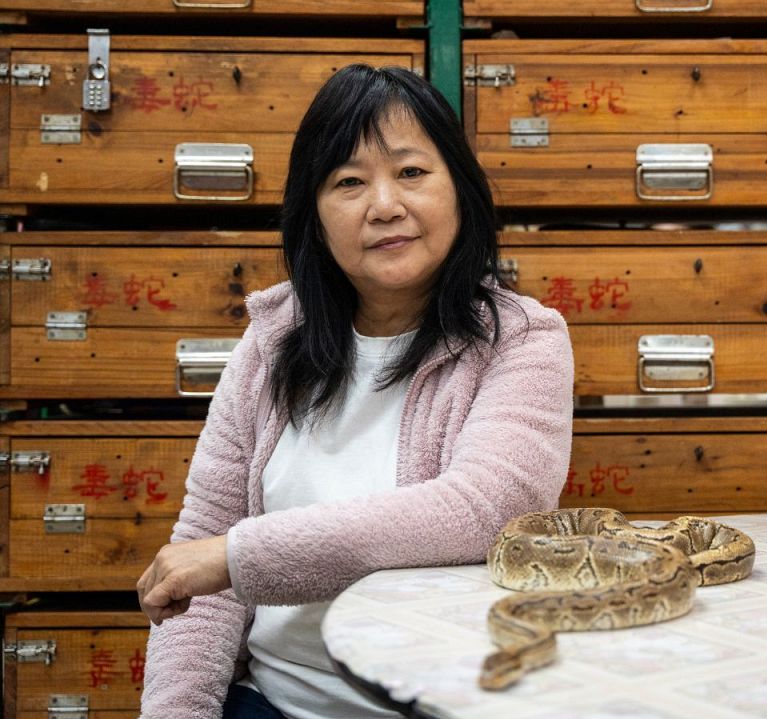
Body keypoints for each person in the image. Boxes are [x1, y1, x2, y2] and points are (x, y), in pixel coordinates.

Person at [135, 64, 574, 718]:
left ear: (461, 188)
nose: (385, 204)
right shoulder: (269, 345)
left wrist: (239, 556)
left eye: (412, 172)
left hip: (438, 705)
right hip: (272, 701)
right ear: (313, 213)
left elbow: (480, 509)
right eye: (348, 181)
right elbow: (200, 579)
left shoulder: (522, 340)